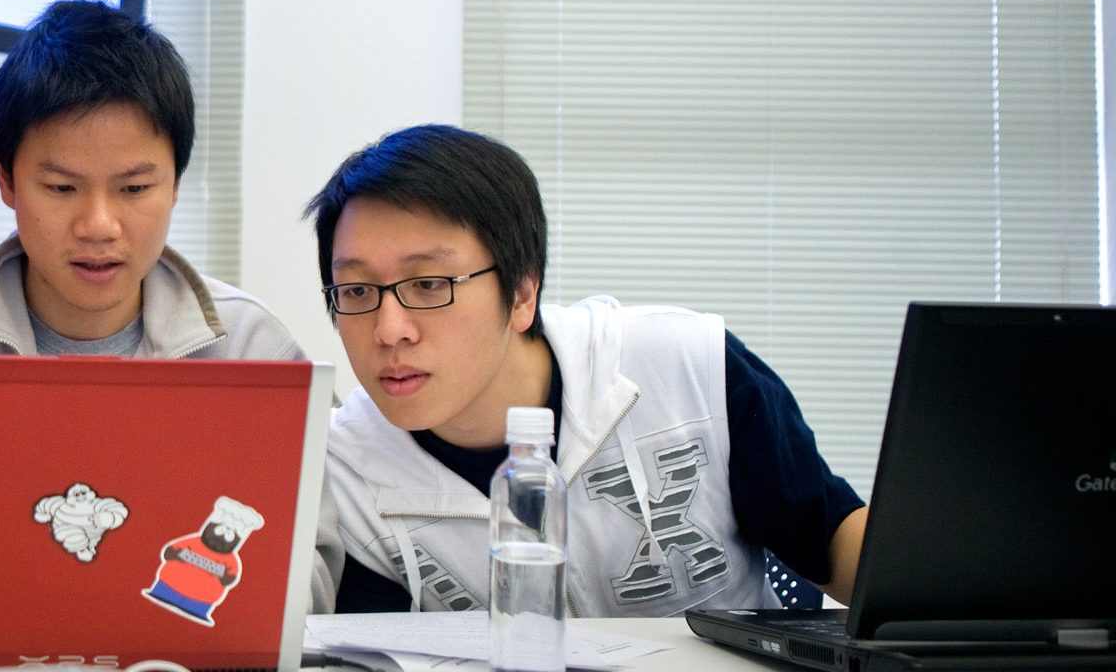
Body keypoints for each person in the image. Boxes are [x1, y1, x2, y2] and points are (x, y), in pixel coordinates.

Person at [0, 0, 339, 613]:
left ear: (176, 182)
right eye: (61, 188)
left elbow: (309, 574)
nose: (99, 225)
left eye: (134, 188)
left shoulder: (253, 352)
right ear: (6, 180)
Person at [303, 124, 868, 614]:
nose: (389, 328)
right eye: (355, 289)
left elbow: (833, 540)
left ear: (523, 291)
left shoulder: (684, 365)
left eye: (428, 284)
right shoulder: (344, 472)